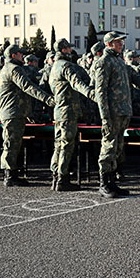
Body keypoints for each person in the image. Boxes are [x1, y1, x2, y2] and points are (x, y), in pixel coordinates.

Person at [0, 44, 54, 187]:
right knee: (11, 143)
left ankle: (12, 173)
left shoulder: (9, 68)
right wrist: (46, 98)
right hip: (12, 112)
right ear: (13, 55)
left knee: (13, 143)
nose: (22, 56)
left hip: (14, 111)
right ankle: (10, 175)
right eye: (20, 54)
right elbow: (27, 86)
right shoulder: (14, 69)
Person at [91, 31, 135, 198]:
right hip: (112, 112)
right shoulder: (104, 62)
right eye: (117, 42)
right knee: (108, 146)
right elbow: (100, 92)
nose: (121, 44)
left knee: (117, 148)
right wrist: (105, 115)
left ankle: (112, 182)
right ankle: (103, 183)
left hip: (123, 111)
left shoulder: (119, 62)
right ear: (108, 44)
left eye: (121, 42)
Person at [48, 39, 94, 191]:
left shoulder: (54, 66)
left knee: (58, 145)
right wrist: (91, 94)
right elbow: (76, 83)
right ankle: (63, 178)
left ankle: (55, 176)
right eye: (68, 49)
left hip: (59, 111)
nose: (71, 51)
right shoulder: (66, 66)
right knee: (67, 145)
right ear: (63, 50)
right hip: (68, 111)